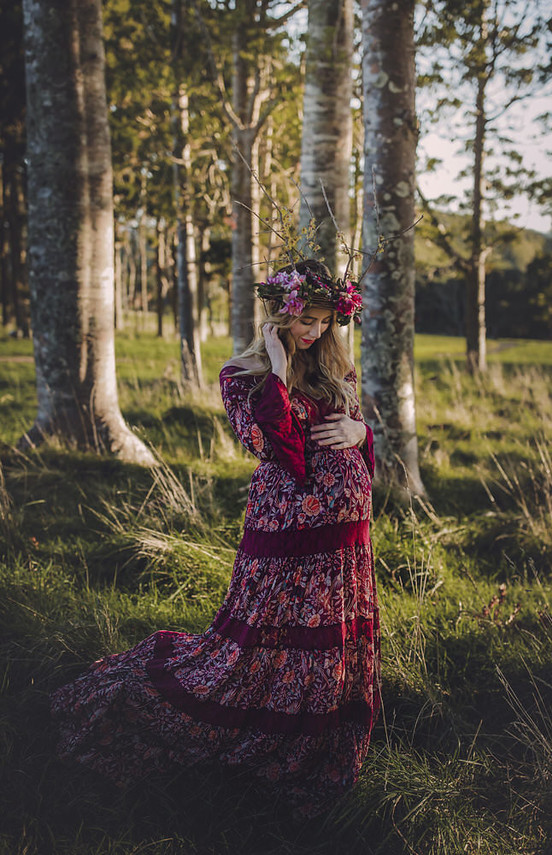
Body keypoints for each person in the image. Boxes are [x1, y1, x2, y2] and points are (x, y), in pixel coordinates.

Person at [50, 259, 380, 817]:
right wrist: (277, 370)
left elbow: (355, 432)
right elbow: (278, 449)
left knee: (328, 629)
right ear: (280, 311)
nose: (315, 332)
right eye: (306, 320)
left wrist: (361, 430)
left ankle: (323, 721)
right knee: (268, 633)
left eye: (325, 322)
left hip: (345, 529)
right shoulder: (241, 375)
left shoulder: (335, 368)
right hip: (289, 525)